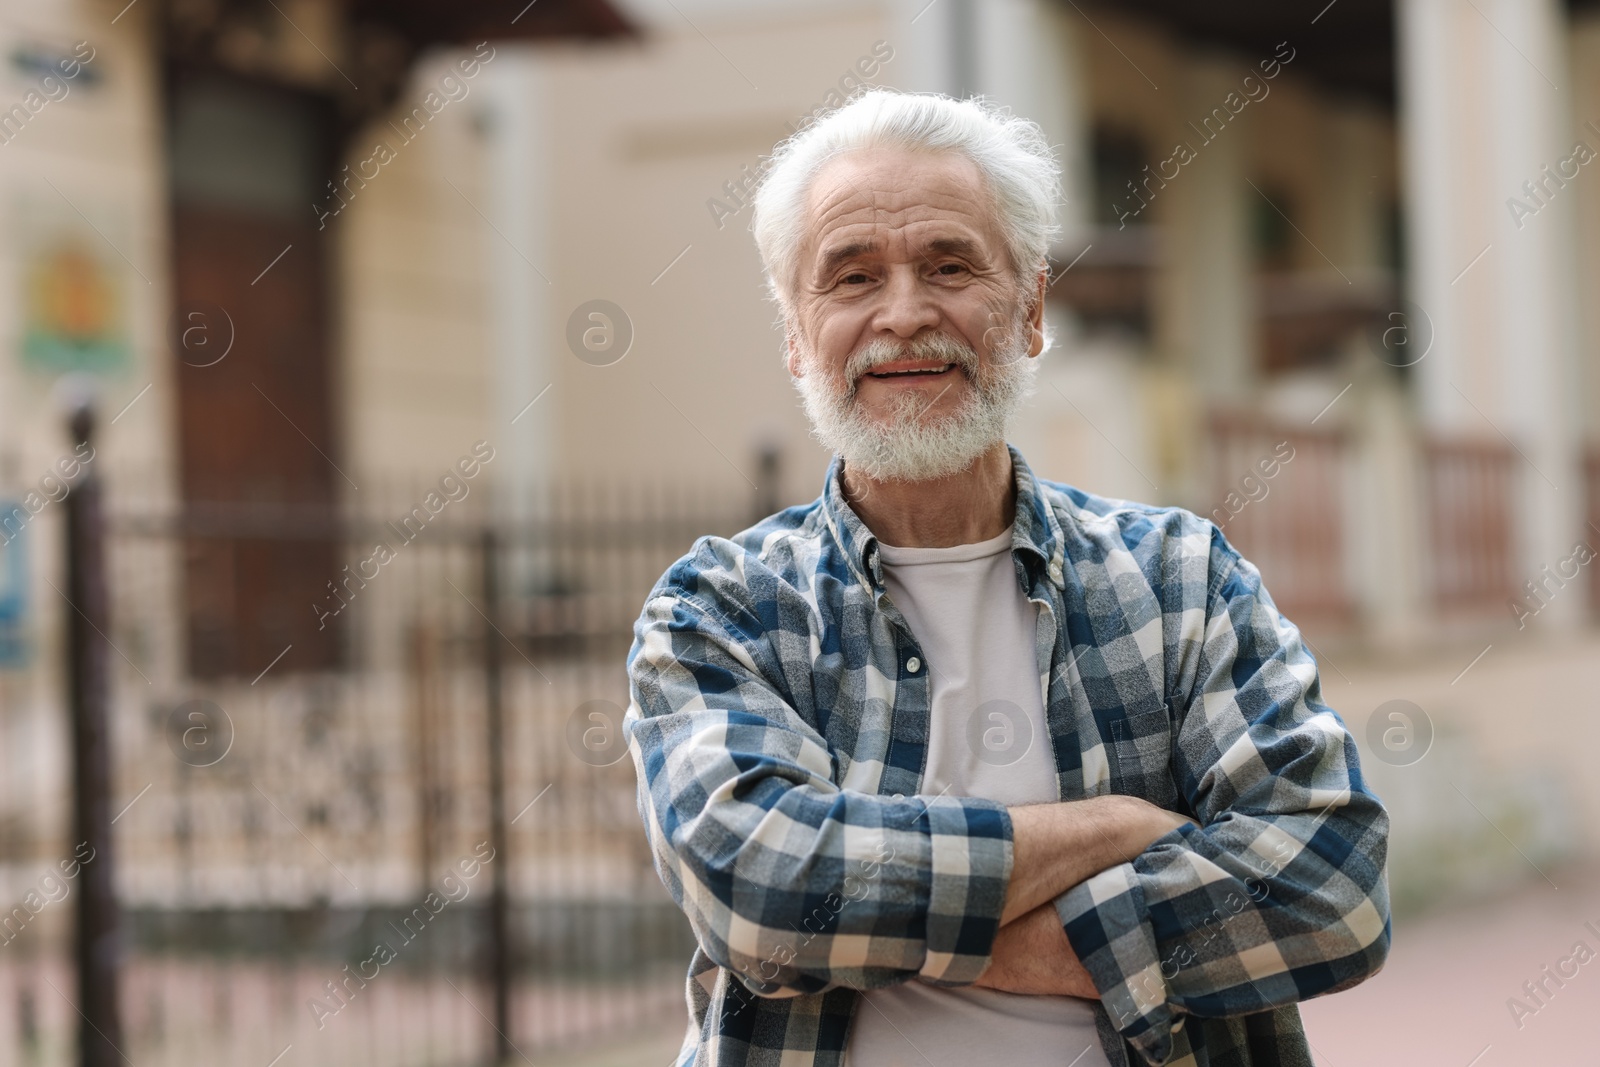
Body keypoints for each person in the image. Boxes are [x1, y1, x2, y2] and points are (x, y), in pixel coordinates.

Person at [624, 89, 1390, 1067]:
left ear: (1029, 309)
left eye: (949, 265)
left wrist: (903, 919)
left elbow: (1330, 887)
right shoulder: (720, 610)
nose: (903, 313)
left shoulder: (1181, 581)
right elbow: (761, 892)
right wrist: (1115, 829)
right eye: (851, 278)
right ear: (793, 334)